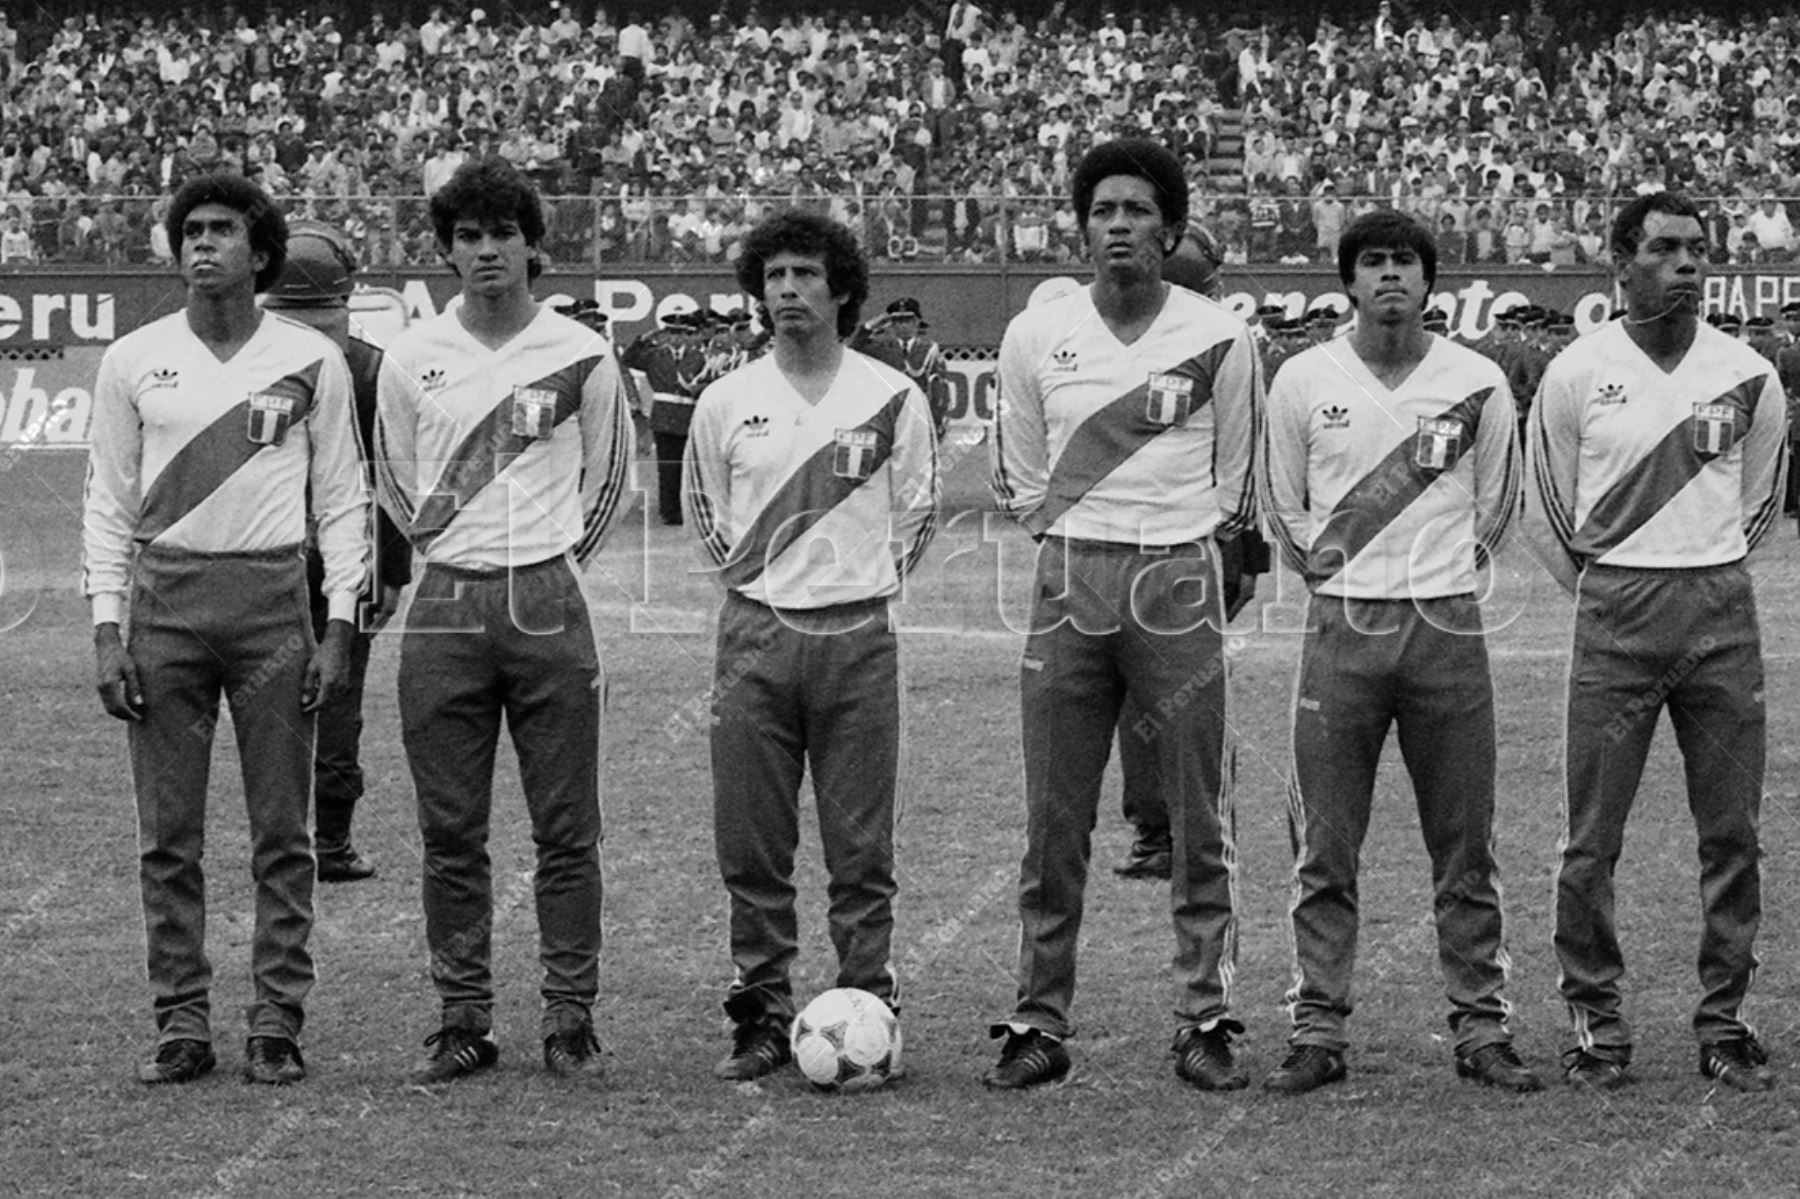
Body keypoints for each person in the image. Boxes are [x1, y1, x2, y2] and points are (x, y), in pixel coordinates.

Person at [985, 139, 1260, 1092]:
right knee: (1054, 814)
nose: (1119, 227)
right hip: (1070, 579)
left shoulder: (1221, 334)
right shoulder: (1036, 335)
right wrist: (1070, 536)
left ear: (1170, 229)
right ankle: (1037, 1019)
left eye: (1138, 211)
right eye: (1103, 211)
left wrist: (1182, 537)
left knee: (1195, 812)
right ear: (1082, 227)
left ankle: (1205, 1016)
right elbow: (1018, 466)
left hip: (1177, 579)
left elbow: (1238, 471)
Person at [82, 173, 367, 1086]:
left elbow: (344, 501)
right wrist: (105, 627)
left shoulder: (307, 360)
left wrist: (340, 624)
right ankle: (181, 1022)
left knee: (284, 832)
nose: (202, 244)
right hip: (164, 606)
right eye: (191, 230)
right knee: (169, 834)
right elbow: (107, 504)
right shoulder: (132, 359)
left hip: (272, 602)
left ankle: (277, 1018)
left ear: (261, 250)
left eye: (223, 230)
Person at [1259, 210, 1539, 1096]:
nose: (1390, 277)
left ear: (1429, 281)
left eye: (1405, 263)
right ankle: (1318, 1028)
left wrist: (1438, 575)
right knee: (1326, 842)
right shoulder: (1304, 378)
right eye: (1373, 262)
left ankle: (1481, 1026)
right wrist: (1345, 573)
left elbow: (1496, 505)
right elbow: (1282, 502)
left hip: (1446, 627)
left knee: (1464, 842)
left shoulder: (1478, 382)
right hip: (1342, 627)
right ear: (1348, 282)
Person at [374, 158, 632, 1084]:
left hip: (546, 600)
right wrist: (457, 553)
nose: (487, 250)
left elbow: (609, 480)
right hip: (445, 603)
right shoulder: (411, 357)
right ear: (446, 251)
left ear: (533, 246)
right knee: (451, 829)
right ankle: (464, 1015)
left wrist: (552, 563)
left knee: (568, 825)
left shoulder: (581, 354)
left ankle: (569, 1010)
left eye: (503, 234)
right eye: (469, 236)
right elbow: (395, 481)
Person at [1522, 191, 1786, 1094]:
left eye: (1698, 250)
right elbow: (1551, 504)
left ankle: (1726, 1020)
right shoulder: (1574, 372)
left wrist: (1699, 565)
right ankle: (1597, 1023)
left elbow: (1758, 505)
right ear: (1620, 260)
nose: (1688, 265)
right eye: (1667, 248)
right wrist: (1612, 581)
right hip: (1616, 618)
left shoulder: (1750, 372)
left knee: (1733, 833)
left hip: (1719, 617)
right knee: (1591, 838)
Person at [682, 211, 938, 1080]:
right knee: (751, 840)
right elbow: (706, 513)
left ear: (841, 291)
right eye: (775, 275)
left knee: (860, 843)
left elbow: (917, 513)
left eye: (805, 274)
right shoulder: (727, 399)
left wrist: (853, 581)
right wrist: (764, 584)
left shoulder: (892, 397)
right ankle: (760, 1010)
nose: (787, 289)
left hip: (857, 635)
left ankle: (868, 997)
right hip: (754, 635)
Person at [261, 219, 413, 884]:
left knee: (271, 701)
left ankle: (288, 837)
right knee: (339, 697)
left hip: (270, 556)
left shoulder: (258, 361)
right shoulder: (376, 366)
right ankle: (335, 841)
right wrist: (390, 570)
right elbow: (398, 486)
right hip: (349, 562)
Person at [851, 296, 952, 437]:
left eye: (908, 321)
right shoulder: (881, 347)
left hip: (918, 414)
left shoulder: (929, 349)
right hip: (888, 414)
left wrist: (937, 420)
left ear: (916, 322)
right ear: (891, 324)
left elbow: (938, 388)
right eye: (898, 321)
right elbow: (854, 349)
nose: (904, 326)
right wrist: (869, 326)